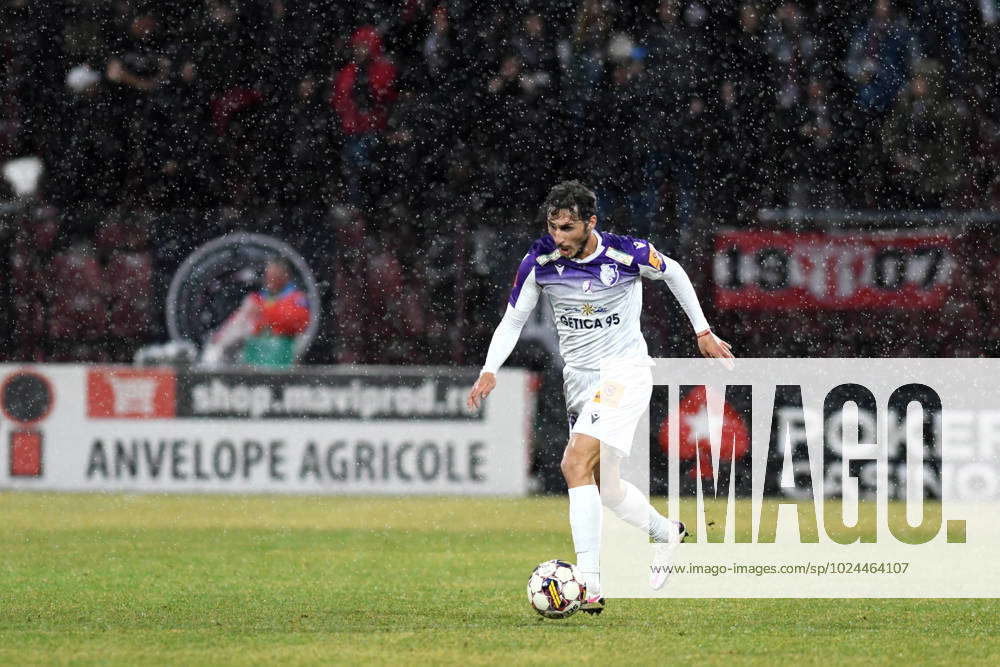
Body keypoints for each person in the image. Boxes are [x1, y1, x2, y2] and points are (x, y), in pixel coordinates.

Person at [466, 181, 733, 614]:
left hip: (624, 374)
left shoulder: (626, 254)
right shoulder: (540, 262)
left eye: (567, 227)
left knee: (573, 464)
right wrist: (489, 370)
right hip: (580, 381)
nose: (559, 237)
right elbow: (512, 319)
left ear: (591, 223)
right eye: (553, 227)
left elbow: (674, 272)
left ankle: (589, 584)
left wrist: (701, 330)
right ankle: (667, 534)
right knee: (604, 487)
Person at [201, 258, 311, 367]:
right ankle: (216, 350)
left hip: (283, 348)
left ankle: (215, 353)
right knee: (248, 308)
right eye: (268, 275)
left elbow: (297, 322)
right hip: (259, 346)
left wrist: (264, 313)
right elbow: (239, 321)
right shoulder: (261, 298)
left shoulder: (297, 298)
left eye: (274, 275)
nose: (269, 279)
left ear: (285, 276)